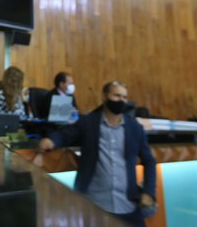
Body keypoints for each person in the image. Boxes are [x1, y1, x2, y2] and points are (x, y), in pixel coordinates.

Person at [37, 81, 157, 227]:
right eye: (116, 95)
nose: (121, 100)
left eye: (124, 97)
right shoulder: (88, 123)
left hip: (127, 205)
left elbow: (149, 161)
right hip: (94, 205)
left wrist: (148, 192)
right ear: (104, 96)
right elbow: (66, 134)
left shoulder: (135, 129)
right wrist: (52, 140)